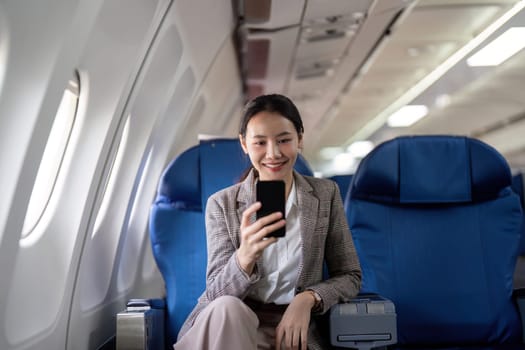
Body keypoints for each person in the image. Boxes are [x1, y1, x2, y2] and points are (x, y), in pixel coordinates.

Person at [174, 94, 361, 350]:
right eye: (260, 142)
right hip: (233, 327)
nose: (273, 154)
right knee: (228, 308)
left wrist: (308, 299)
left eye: (284, 140)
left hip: (295, 331)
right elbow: (216, 297)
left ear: (300, 139)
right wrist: (245, 256)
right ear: (244, 144)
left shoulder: (325, 194)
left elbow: (350, 275)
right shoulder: (222, 204)